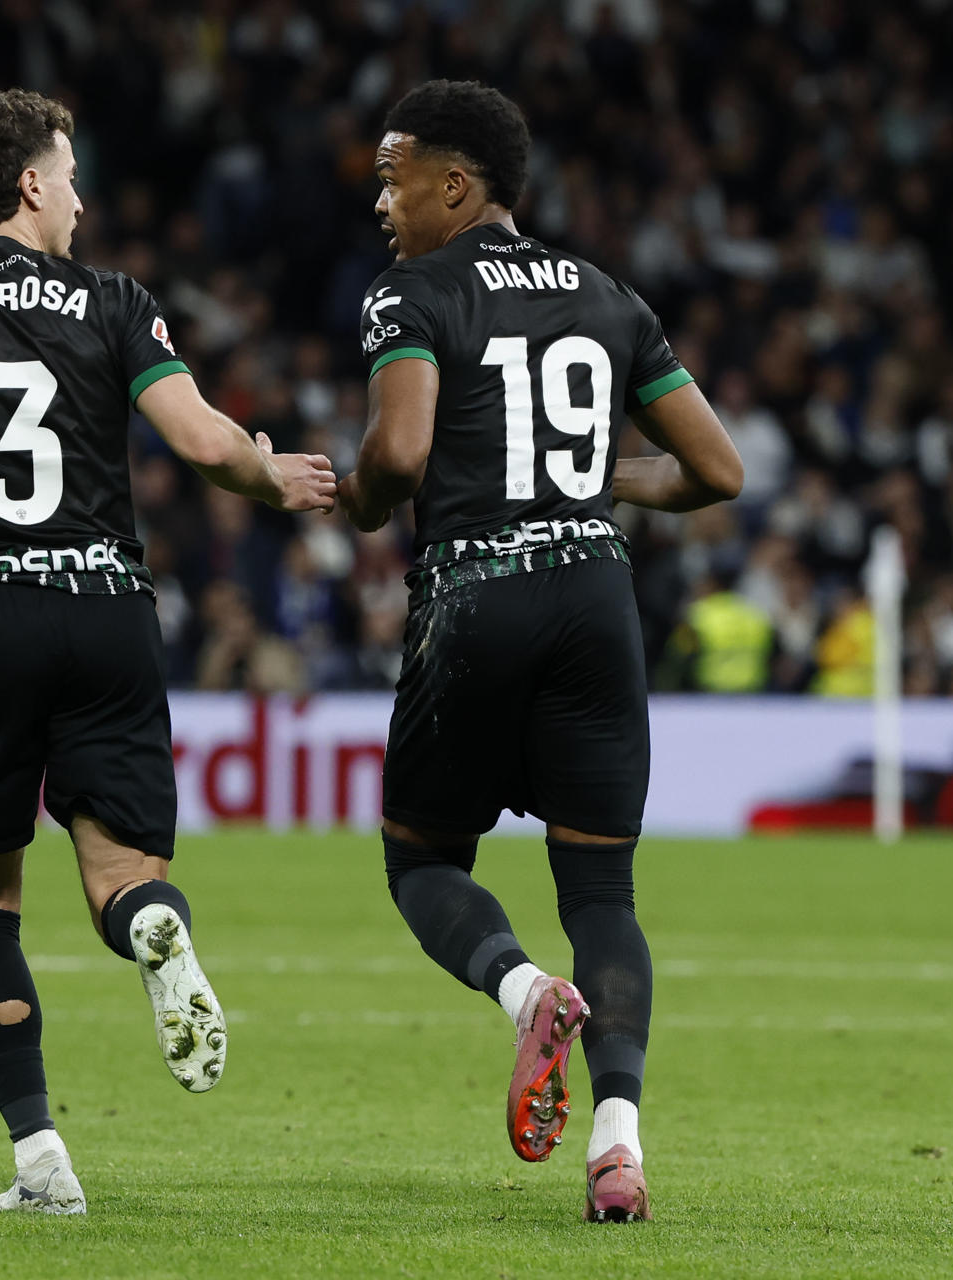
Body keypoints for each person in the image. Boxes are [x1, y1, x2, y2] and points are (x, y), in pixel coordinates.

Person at [0, 89, 335, 1215]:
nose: (82, 197)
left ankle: (43, 1161)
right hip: (106, 603)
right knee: (123, 871)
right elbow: (199, 441)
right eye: (71, 173)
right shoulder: (117, 302)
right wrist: (271, 473)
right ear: (31, 183)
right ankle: (155, 929)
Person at [336, 80, 741, 1224]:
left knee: (421, 862)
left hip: (478, 592)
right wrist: (594, 479)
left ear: (455, 184)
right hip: (596, 595)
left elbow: (402, 455)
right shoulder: (611, 297)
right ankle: (619, 1144)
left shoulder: (412, 292)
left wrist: (354, 497)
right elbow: (717, 471)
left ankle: (523, 990)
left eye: (393, 174)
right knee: (603, 889)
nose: (381, 200)